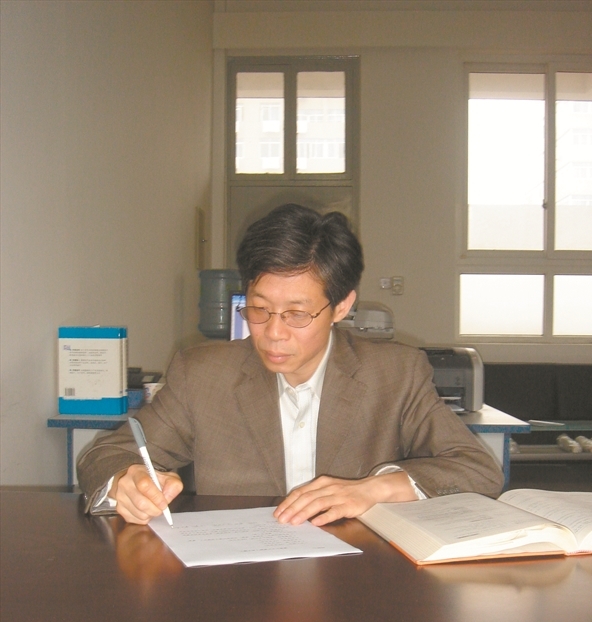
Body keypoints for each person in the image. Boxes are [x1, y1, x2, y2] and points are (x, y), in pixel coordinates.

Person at [78, 203, 503, 525]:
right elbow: (106, 454)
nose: (273, 332)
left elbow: (478, 470)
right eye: (258, 309)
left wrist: (375, 489)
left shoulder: (394, 374)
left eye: (297, 314)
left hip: (357, 578)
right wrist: (126, 482)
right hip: (237, 578)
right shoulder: (203, 374)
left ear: (341, 306)